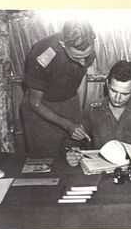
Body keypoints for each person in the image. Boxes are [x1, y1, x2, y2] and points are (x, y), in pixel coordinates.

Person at [66, 60, 131, 167]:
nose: (117, 98)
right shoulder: (93, 110)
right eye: (113, 91)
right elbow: (72, 139)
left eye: (124, 94)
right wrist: (71, 153)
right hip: (100, 173)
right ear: (107, 84)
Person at [21, 19, 96, 153]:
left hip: (69, 102)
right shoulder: (41, 56)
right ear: (62, 44)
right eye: (76, 57)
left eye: (86, 55)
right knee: (46, 161)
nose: (83, 62)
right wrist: (68, 124)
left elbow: (81, 77)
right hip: (42, 109)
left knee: (75, 155)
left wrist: (79, 112)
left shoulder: (87, 46)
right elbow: (35, 103)